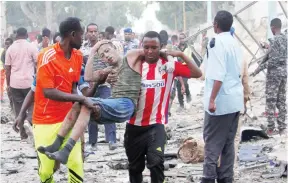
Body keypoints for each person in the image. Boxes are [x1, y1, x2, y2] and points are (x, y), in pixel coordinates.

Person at [123, 31, 202, 183]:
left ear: (162, 47)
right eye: (146, 47)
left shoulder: (169, 66)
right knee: (134, 168)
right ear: (141, 47)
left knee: (156, 163)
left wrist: (180, 54)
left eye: (154, 47)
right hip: (134, 127)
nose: (150, 51)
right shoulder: (135, 66)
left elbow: (197, 73)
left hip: (156, 126)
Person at [32, 17, 87, 183]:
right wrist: (80, 98)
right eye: (81, 35)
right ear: (72, 34)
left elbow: (73, 87)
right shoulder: (46, 55)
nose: (82, 39)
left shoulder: (78, 56)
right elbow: (48, 92)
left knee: (76, 163)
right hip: (45, 120)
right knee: (46, 170)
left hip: (68, 119)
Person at [201, 11, 243, 183]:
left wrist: (211, 100)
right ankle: (226, 178)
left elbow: (218, 74)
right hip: (234, 101)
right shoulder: (234, 42)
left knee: (212, 145)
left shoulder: (216, 42)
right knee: (227, 144)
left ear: (215, 24)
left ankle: (209, 178)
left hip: (220, 103)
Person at [251, 18, 287, 136]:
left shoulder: (274, 40)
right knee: (281, 100)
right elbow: (276, 53)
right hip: (283, 73)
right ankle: (282, 127)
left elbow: (272, 60)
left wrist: (258, 70)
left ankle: (271, 128)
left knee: (271, 100)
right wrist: (267, 48)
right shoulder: (285, 39)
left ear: (272, 27)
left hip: (274, 75)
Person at [5, 27, 38, 139]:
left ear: (16, 35)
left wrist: (8, 84)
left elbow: (7, 68)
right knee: (32, 104)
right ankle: (29, 120)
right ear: (26, 35)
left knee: (18, 107)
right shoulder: (32, 47)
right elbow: (38, 64)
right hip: (29, 82)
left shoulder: (10, 49)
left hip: (15, 82)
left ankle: (23, 134)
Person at [159, 30, 185, 117]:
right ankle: (166, 115)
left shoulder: (155, 52)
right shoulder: (172, 52)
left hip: (159, 83)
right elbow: (178, 71)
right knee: (169, 99)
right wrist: (182, 84)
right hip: (171, 82)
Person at [177, 32, 193, 110]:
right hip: (178, 68)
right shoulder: (176, 48)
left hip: (186, 67)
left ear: (185, 38)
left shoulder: (188, 48)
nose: (181, 40)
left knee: (185, 83)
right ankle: (181, 105)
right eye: (180, 38)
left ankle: (188, 96)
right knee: (178, 85)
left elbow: (188, 58)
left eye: (183, 38)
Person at [1, 38, 13, 104]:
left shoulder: (14, 51)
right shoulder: (4, 52)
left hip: (15, 73)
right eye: (5, 44)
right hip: (8, 73)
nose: (7, 46)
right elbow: (3, 61)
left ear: (11, 44)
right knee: (8, 88)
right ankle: (11, 102)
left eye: (8, 44)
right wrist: (5, 68)